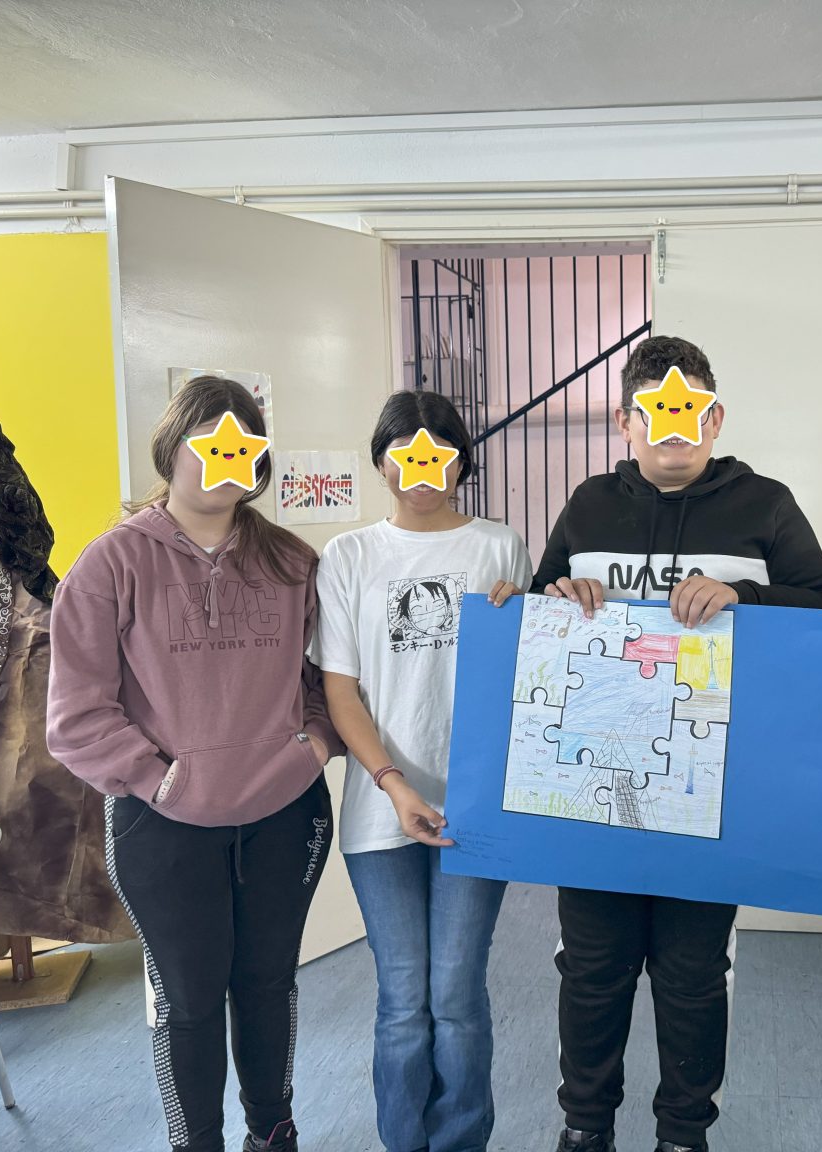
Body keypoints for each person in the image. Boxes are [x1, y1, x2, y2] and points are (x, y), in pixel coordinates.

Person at [533, 335, 822, 1152]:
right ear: (625, 421)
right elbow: (538, 615)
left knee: (694, 974)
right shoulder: (588, 505)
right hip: (595, 791)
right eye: (656, 412)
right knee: (591, 971)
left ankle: (683, 1133)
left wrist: (744, 595)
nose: (676, 427)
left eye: (692, 411)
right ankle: (585, 1127)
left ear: (715, 417)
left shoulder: (766, 504)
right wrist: (559, 591)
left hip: (713, 790)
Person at [47, 377, 342, 1152]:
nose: (225, 465)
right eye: (210, 446)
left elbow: (329, 680)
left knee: (268, 984)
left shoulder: (294, 563)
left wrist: (313, 745)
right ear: (172, 447)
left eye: (243, 449)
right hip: (163, 823)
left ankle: (273, 1135)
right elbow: (76, 716)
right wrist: (159, 779)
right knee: (188, 1000)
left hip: (286, 816)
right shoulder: (110, 564)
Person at [313, 389, 532, 1152]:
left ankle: (461, 1141)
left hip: (476, 805)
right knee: (404, 1000)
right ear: (382, 462)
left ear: (462, 461)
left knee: (458, 996)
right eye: (406, 457)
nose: (423, 472)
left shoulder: (500, 546)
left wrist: (528, 616)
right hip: (381, 807)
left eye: (439, 456)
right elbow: (340, 690)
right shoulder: (348, 556)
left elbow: (527, 673)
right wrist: (393, 783)